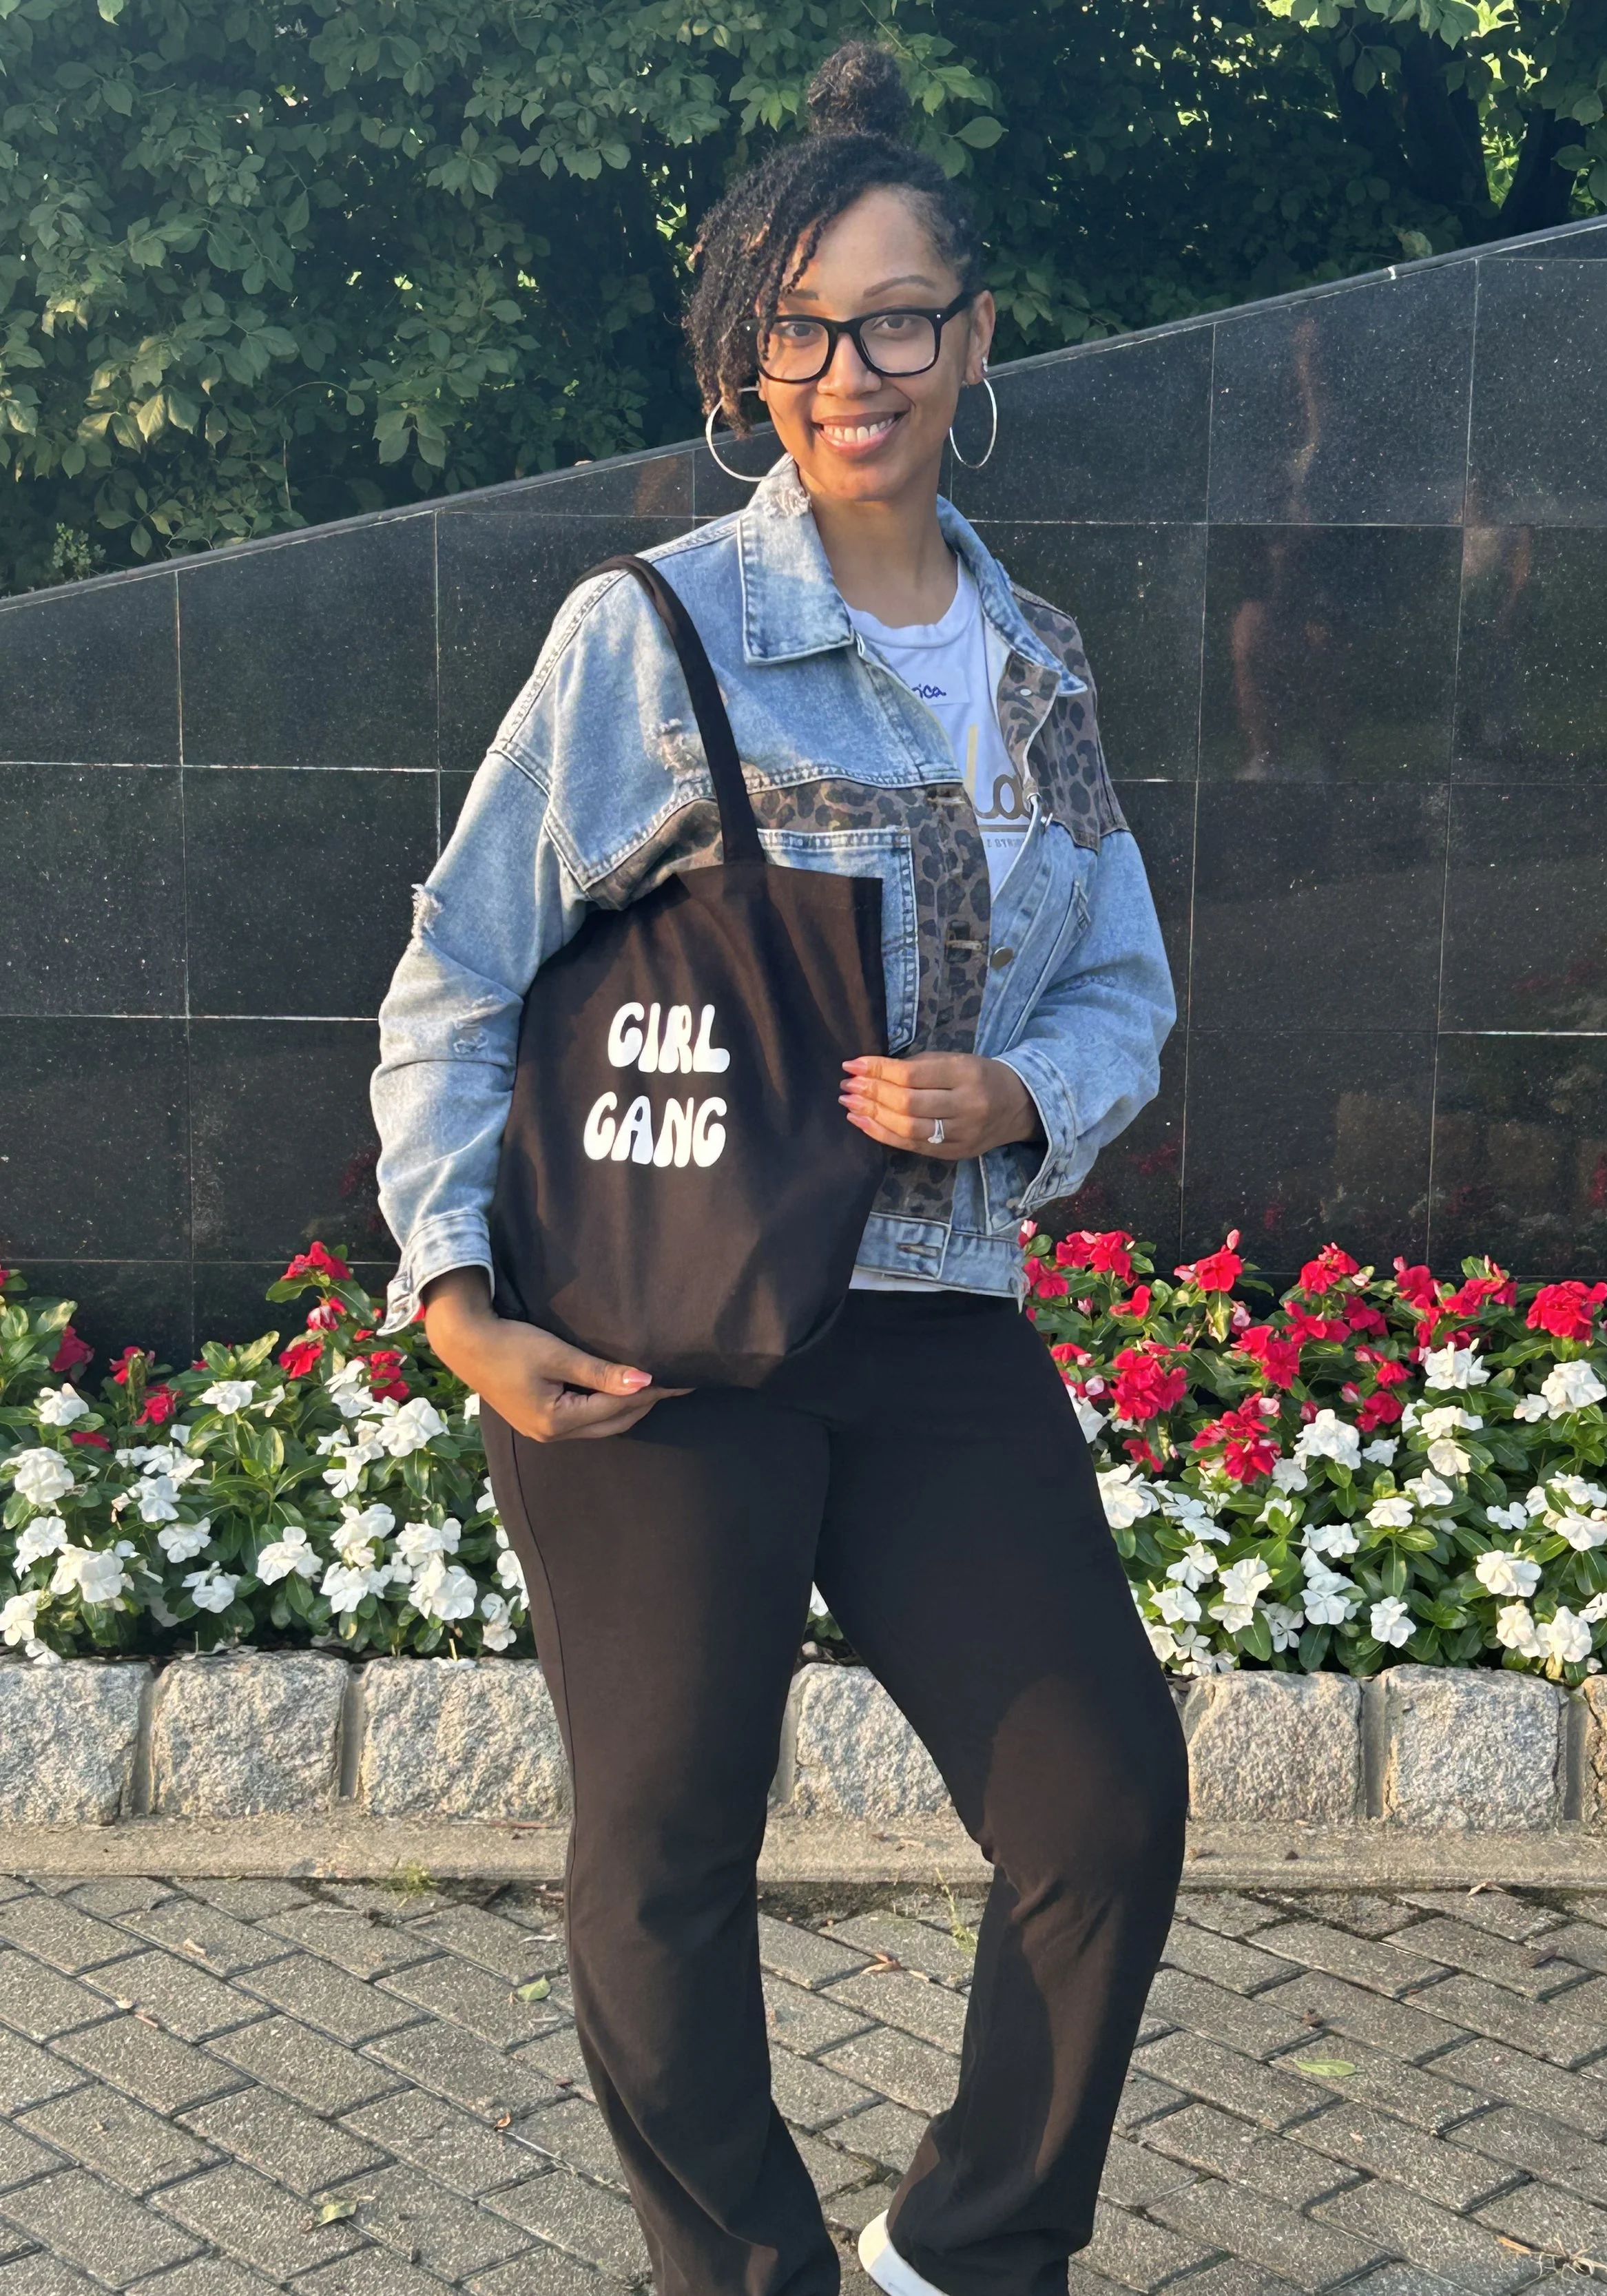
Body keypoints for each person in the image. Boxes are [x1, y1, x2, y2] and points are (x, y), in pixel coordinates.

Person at [370, 40, 1188, 2296]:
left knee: (1100, 1800)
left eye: (902, 317)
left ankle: (966, 2245)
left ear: (975, 337)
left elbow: (1122, 981)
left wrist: (1021, 1102)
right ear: (754, 358)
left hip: (931, 1316)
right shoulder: (651, 636)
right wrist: (456, 1298)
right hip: (666, 1327)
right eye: (808, 328)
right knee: (661, 1851)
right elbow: (458, 963)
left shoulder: (1033, 662)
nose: (858, 370)